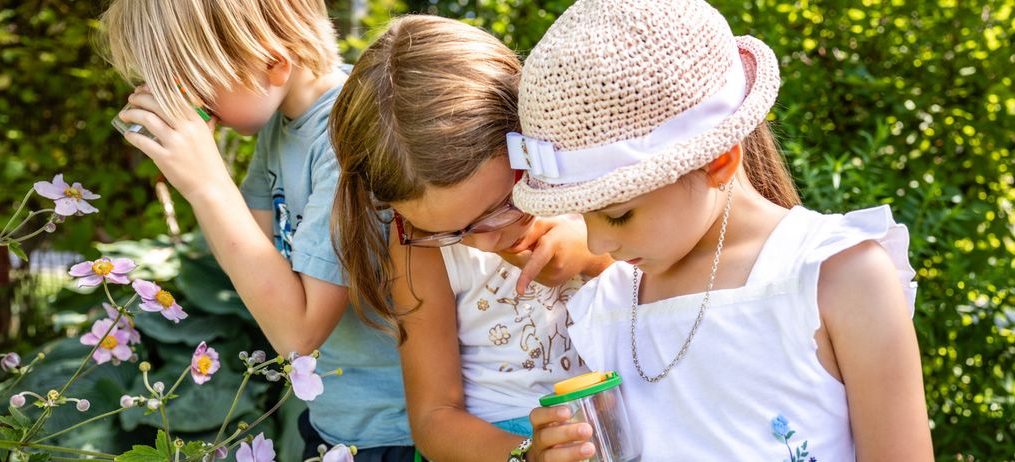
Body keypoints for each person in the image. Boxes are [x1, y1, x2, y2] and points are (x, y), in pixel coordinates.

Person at [509, 0, 934, 460]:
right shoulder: (610, 303)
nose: (597, 244)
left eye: (618, 214)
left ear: (718, 160)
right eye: (580, 214)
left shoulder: (837, 275)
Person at [100, 1, 413, 459]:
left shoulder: (349, 135)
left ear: (273, 64)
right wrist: (200, 180)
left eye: (191, 82)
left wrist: (208, 185)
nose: (181, 99)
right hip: (334, 423)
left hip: (392, 435)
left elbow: (299, 336)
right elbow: (249, 260)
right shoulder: (283, 122)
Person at [330, 15, 612, 462]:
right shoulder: (415, 247)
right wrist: (527, 454)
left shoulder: (589, 179)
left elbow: (682, 294)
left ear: (525, 137)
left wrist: (594, 255)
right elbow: (434, 418)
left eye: (501, 207)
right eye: (447, 232)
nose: (482, 244)